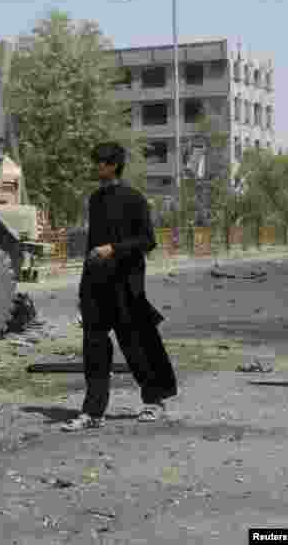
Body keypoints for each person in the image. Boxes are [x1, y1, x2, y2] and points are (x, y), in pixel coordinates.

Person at [62, 142, 178, 431]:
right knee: (94, 348)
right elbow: (92, 246)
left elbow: (147, 241)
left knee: (136, 347)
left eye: (99, 163)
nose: (95, 168)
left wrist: (113, 249)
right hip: (97, 286)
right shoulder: (95, 200)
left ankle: (153, 401)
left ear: (112, 165)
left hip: (125, 287)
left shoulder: (134, 199)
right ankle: (93, 412)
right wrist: (83, 291)